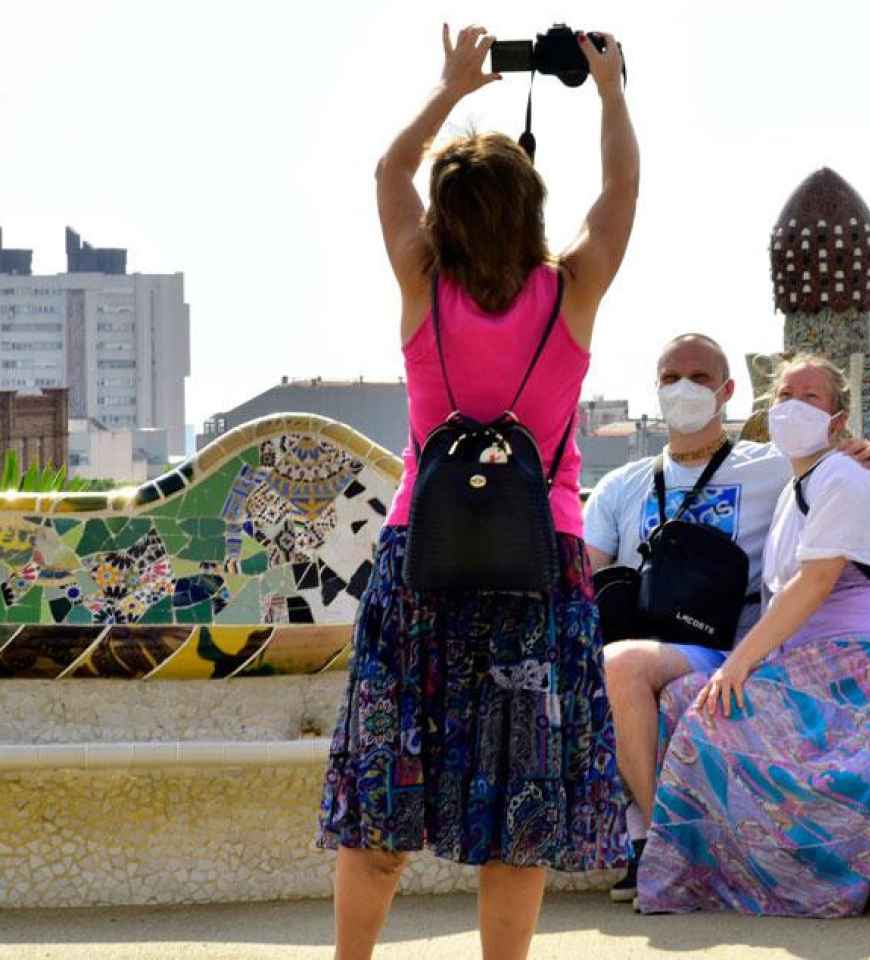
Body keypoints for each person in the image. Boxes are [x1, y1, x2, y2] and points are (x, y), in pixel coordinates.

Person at [316, 24, 636, 960]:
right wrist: (611, 92)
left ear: (445, 218)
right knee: (518, 814)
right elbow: (620, 195)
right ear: (531, 209)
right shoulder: (571, 294)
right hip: (538, 575)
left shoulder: (423, 288)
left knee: (384, 800)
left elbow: (386, 172)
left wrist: (454, 86)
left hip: (425, 567)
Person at [583, 334, 870, 902]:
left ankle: (659, 846)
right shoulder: (618, 487)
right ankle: (656, 840)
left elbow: (841, 496)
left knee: (621, 667)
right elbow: (582, 576)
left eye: (700, 378)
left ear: (728, 391)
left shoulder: (773, 467)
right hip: (651, 640)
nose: (685, 388)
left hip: (730, 646)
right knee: (614, 664)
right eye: (671, 376)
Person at [635, 355, 870, 918]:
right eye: (783, 396)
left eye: (811, 398)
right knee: (679, 699)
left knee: (710, 708)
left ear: (838, 419)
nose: (793, 407)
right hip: (810, 659)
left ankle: (793, 881)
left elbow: (816, 581)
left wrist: (737, 664)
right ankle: (708, 872)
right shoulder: (793, 487)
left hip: (861, 666)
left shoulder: (843, 475)